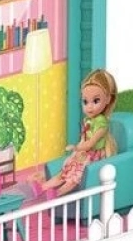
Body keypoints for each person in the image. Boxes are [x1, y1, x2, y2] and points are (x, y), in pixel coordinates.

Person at [41, 68, 118, 197]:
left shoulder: (102, 124)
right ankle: (43, 188)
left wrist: (76, 148)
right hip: (84, 153)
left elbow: (91, 143)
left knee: (74, 177)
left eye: (96, 101)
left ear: (108, 99)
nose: (89, 107)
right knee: (65, 171)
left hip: (93, 156)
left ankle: (57, 194)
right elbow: (84, 138)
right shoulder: (88, 120)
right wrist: (77, 152)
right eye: (85, 102)